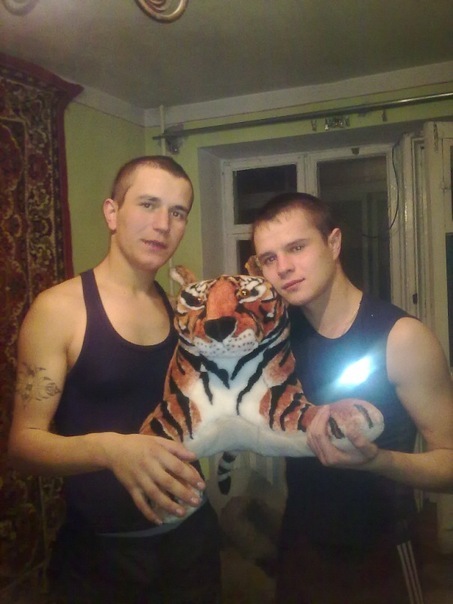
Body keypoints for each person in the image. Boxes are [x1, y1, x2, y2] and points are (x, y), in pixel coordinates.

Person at [8, 156, 221, 604]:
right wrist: (110, 450)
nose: (162, 224)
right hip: (102, 558)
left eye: (177, 212)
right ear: (112, 212)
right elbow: (23, 445)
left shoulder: (178, 308)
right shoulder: (59, 310)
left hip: (192, 544)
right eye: (148, 204)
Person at [251, 192, 453, 604]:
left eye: (297, 247)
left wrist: (379, 461)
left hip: (383, 552)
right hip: (300, 548)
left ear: (334, 243)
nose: (283, 267)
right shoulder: (276, 340)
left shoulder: (402, 339)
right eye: (269, 259)